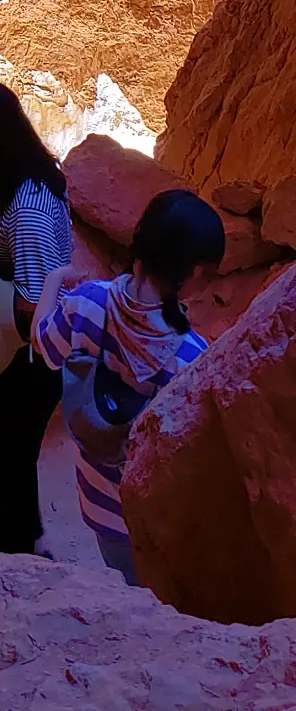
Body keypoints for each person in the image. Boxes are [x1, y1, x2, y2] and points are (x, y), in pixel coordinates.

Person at [34, 187, 225, 585]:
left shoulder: (87, 302)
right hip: (149, 514)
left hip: (97, 501)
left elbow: (44, 345)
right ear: (192, 275)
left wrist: (54, 280)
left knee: (122, 580)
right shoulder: (191, 356)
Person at [0, 80, 73, 556]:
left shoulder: (26, 209)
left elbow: (31, 305)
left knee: (4, 443)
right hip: (28, 358)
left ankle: (18, 555)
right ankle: (26, 537)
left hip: (28, 359)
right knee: (2, 441)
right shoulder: (36, 176)